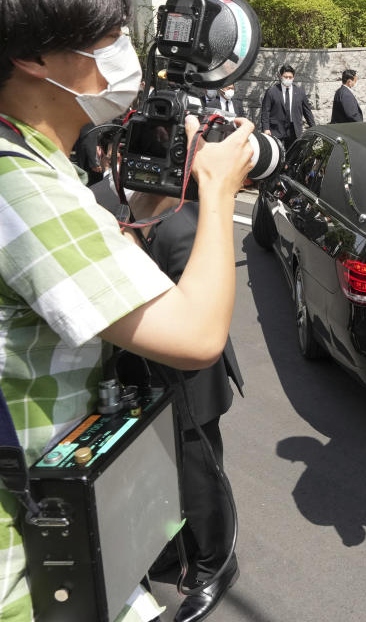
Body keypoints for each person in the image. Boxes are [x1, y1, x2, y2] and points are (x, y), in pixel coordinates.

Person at [0, 0, 253, 620]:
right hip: (31, 567)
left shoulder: (33, 159)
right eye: (108, 39)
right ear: (34, 59)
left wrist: (140, 215)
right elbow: (198, 337)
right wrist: (219, 190)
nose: (124, 54)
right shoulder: (21, 188)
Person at [93, 178, 244, 622]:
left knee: (201, 478)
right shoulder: (113, 205)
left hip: (192, 380)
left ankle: (217, 564)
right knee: (163, 474)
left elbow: (187, 309)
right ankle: (178, 551)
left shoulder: (186, 222)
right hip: (146, 378)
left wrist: (134, 245)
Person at [260, 64, 315, 150]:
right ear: (280, 76)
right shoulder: (272, 92)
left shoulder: (300, 92)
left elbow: (307, 112)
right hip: (276, 130)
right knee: (277, 155)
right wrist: (266, 128)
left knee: (292, 156)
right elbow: (265, 112)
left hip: (294, 130)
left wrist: (314, 128)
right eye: (285, 77)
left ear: (293, 77)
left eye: (290, 77)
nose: (288, 79)